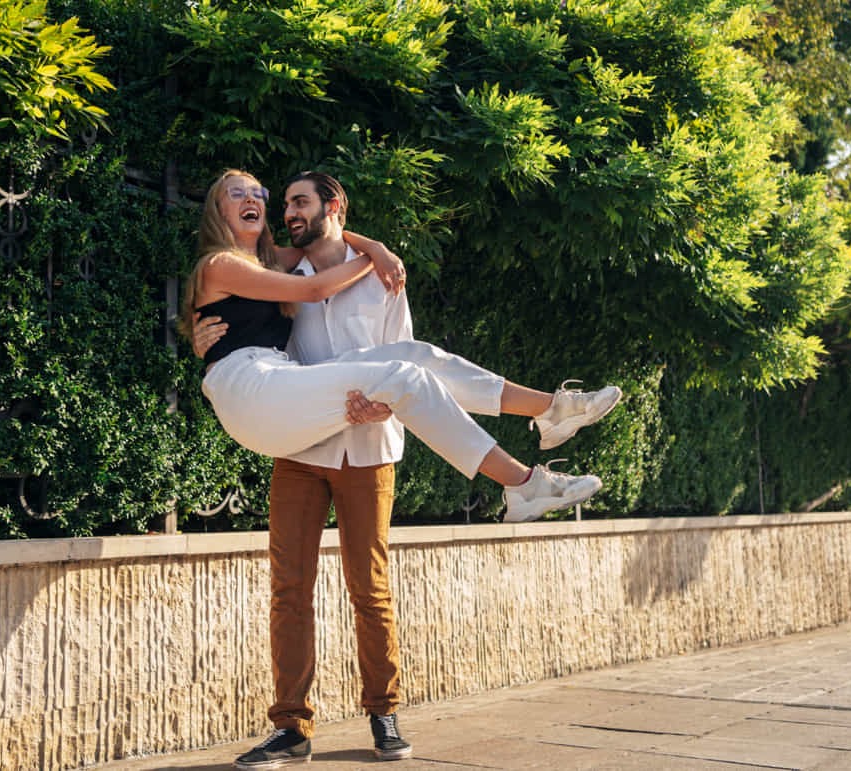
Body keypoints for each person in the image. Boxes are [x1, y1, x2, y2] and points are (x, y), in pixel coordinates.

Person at [181, 169, 621, 767]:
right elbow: (259, 305)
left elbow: (420, 376)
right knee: (290, 589)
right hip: (302, 442)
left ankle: (383, 713)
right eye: (256, 196)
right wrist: (379, 253)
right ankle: (291, 727)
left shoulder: (346, 273)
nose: (277, 207)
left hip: (367, 445)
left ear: (331, 206)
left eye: (289, 200)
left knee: (372, 585)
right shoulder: (289, 276)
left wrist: (376, 251)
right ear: (219, 208)